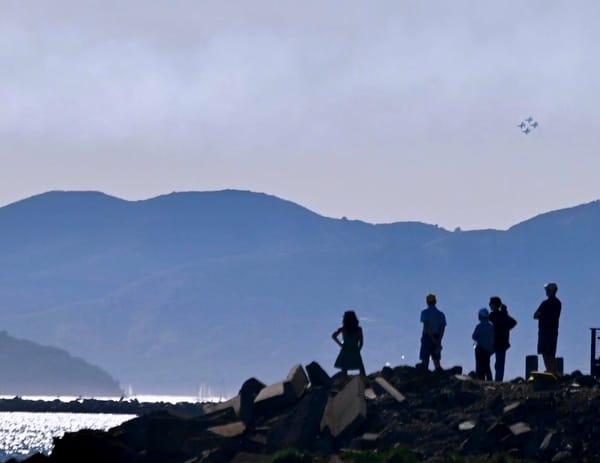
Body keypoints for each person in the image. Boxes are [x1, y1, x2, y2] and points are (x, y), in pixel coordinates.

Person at [534, 282, 562, 376]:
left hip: (545, 330)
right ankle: (553, 371)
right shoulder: (558, 303)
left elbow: (536, 315)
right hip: (554, 330)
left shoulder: (545, 303)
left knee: (545, 352)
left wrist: (542, 316)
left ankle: (550, 371)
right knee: (551, 353)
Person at [488, 296, 517, 381]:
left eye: (491, 304)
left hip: (497, 341)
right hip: (502, 341)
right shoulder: (503, 315)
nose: (490, 305)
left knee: (495, 362)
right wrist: (506, 329)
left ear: (495, 305)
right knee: (499, 362)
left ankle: (496, 380)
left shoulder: (493, 316)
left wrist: (504, 329)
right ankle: (498, 379)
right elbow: (513, 322)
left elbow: (513, 323)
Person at [332, 310, 366, 376]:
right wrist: (358, 350)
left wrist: (341, 344)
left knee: (344, 369)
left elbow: (333, 336)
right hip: (354, 350)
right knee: (360, 368)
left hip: (346, 350)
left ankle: (344, 383)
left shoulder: (343, 329)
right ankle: (364, 381)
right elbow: (361, 342)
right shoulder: (358, 329)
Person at [419, 293, 446, 371]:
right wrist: (438, 340)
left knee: (425, 360)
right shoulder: (441, 314)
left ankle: (424, 377)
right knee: (436, 360)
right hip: (437, 337)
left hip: (427, 337)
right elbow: (442, 328)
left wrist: (432, 339)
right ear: (435, 301)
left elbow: (426, 326)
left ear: (427, 302)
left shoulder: (425, 312)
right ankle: (439, 376)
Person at [472, 308, 494, 381]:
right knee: (487, 365)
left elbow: (474, 336)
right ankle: (489, 379)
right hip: (488, 350)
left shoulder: (479, 326)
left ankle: (480, 379)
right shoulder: (492, 327)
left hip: (480, 349)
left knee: (479, 366)